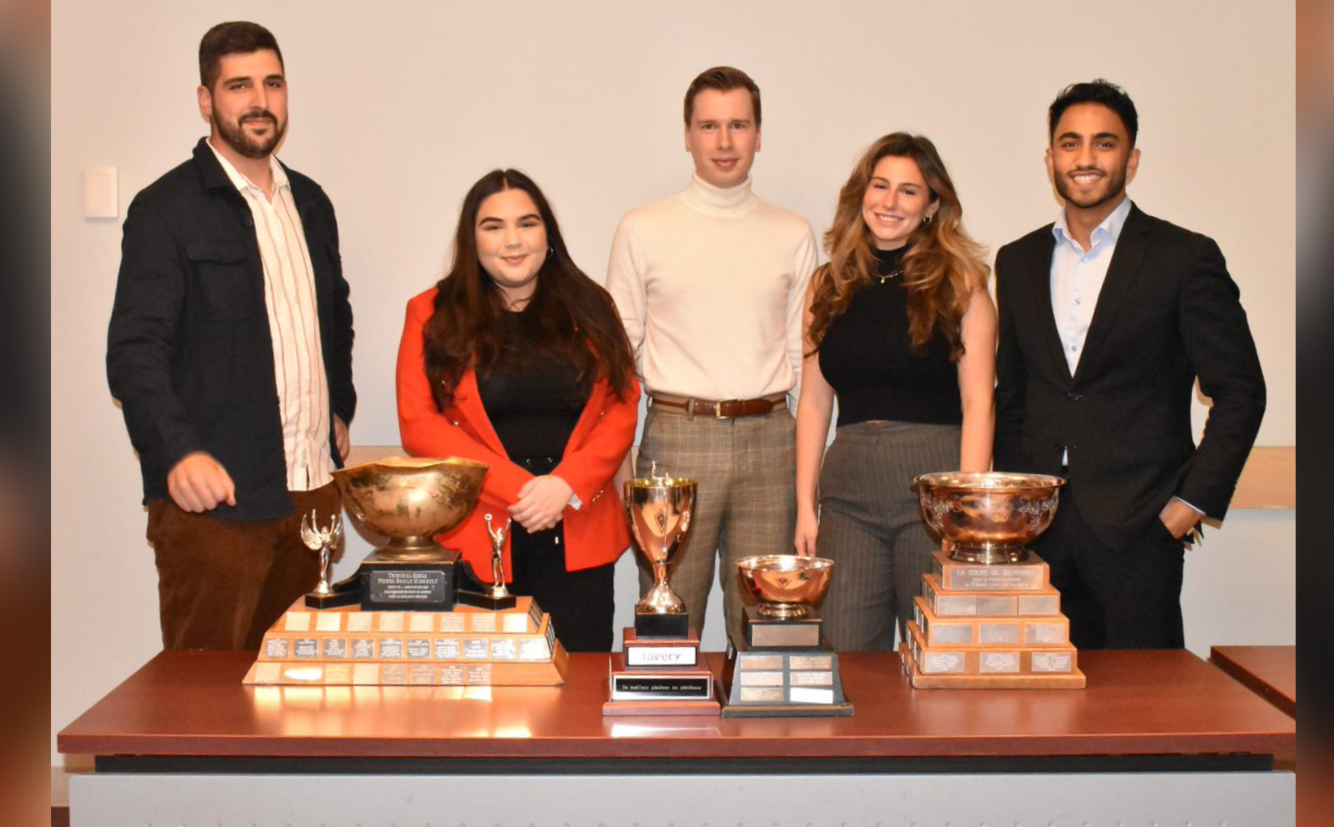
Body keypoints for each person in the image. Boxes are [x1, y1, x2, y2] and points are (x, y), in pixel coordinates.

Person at [106, 21, 355, 651]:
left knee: (301, 688)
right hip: (216, 508)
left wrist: (340, 406)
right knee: (203, 694)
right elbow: (135, 352)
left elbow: (335, 314)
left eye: (273, 83)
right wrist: (177, 452)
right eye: (239, 86)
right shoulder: (165, 209)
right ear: (206, 100)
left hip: (312, 498)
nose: (259, 101)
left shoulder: (312, 203)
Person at [994, 79, 1266, 649]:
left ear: (1132, 159)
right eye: (1070, 143)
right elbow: (1014, 394)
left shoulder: (1184, 257)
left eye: (1104, 143)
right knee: (1039, 697)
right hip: (1039, 533)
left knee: (1146, 701)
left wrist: (1186, 508)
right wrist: (1015, 512)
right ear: (1050, 159)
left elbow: (1241, 391)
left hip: (1141, 529)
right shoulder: (1017, 261)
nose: (1085, 158)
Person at [605, 66, 817, 640]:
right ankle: (669, 704)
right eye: (709, 126)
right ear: (687, 135)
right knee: (669, 620)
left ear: (759, 134)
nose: (724, 141)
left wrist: (808, 471)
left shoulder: (792, 232)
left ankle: (759, 705)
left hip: (770, 438)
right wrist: (621, 465)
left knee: (767, 623)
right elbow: (617, 357)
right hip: (678, 435)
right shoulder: (642, 228)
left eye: (738, 125)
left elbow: (804, 362)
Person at [397, 169, 639, 652]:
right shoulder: (431, 311)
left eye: (527, 223)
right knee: (483, 685)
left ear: (547, 234)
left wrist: (565, 485)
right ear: (472, 239)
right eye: (493, 226)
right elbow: (419, 424)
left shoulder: (592, 305)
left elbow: (622, 406)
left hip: (576, 521)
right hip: (481, 527)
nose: (513, 240)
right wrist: (521, 490)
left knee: (578, 678)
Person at [794, 133, 995, 651]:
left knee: (936, 651)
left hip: (933, 492)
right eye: (879, 186)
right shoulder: (827, 285)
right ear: (861, 193)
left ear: (931, 205)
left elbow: (979, 402)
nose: (889, 202)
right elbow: (814, 403)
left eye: (908, 191)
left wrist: (966, 509)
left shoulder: (962, 284)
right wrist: (804, 505)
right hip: (847, 494)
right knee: (843, 652)